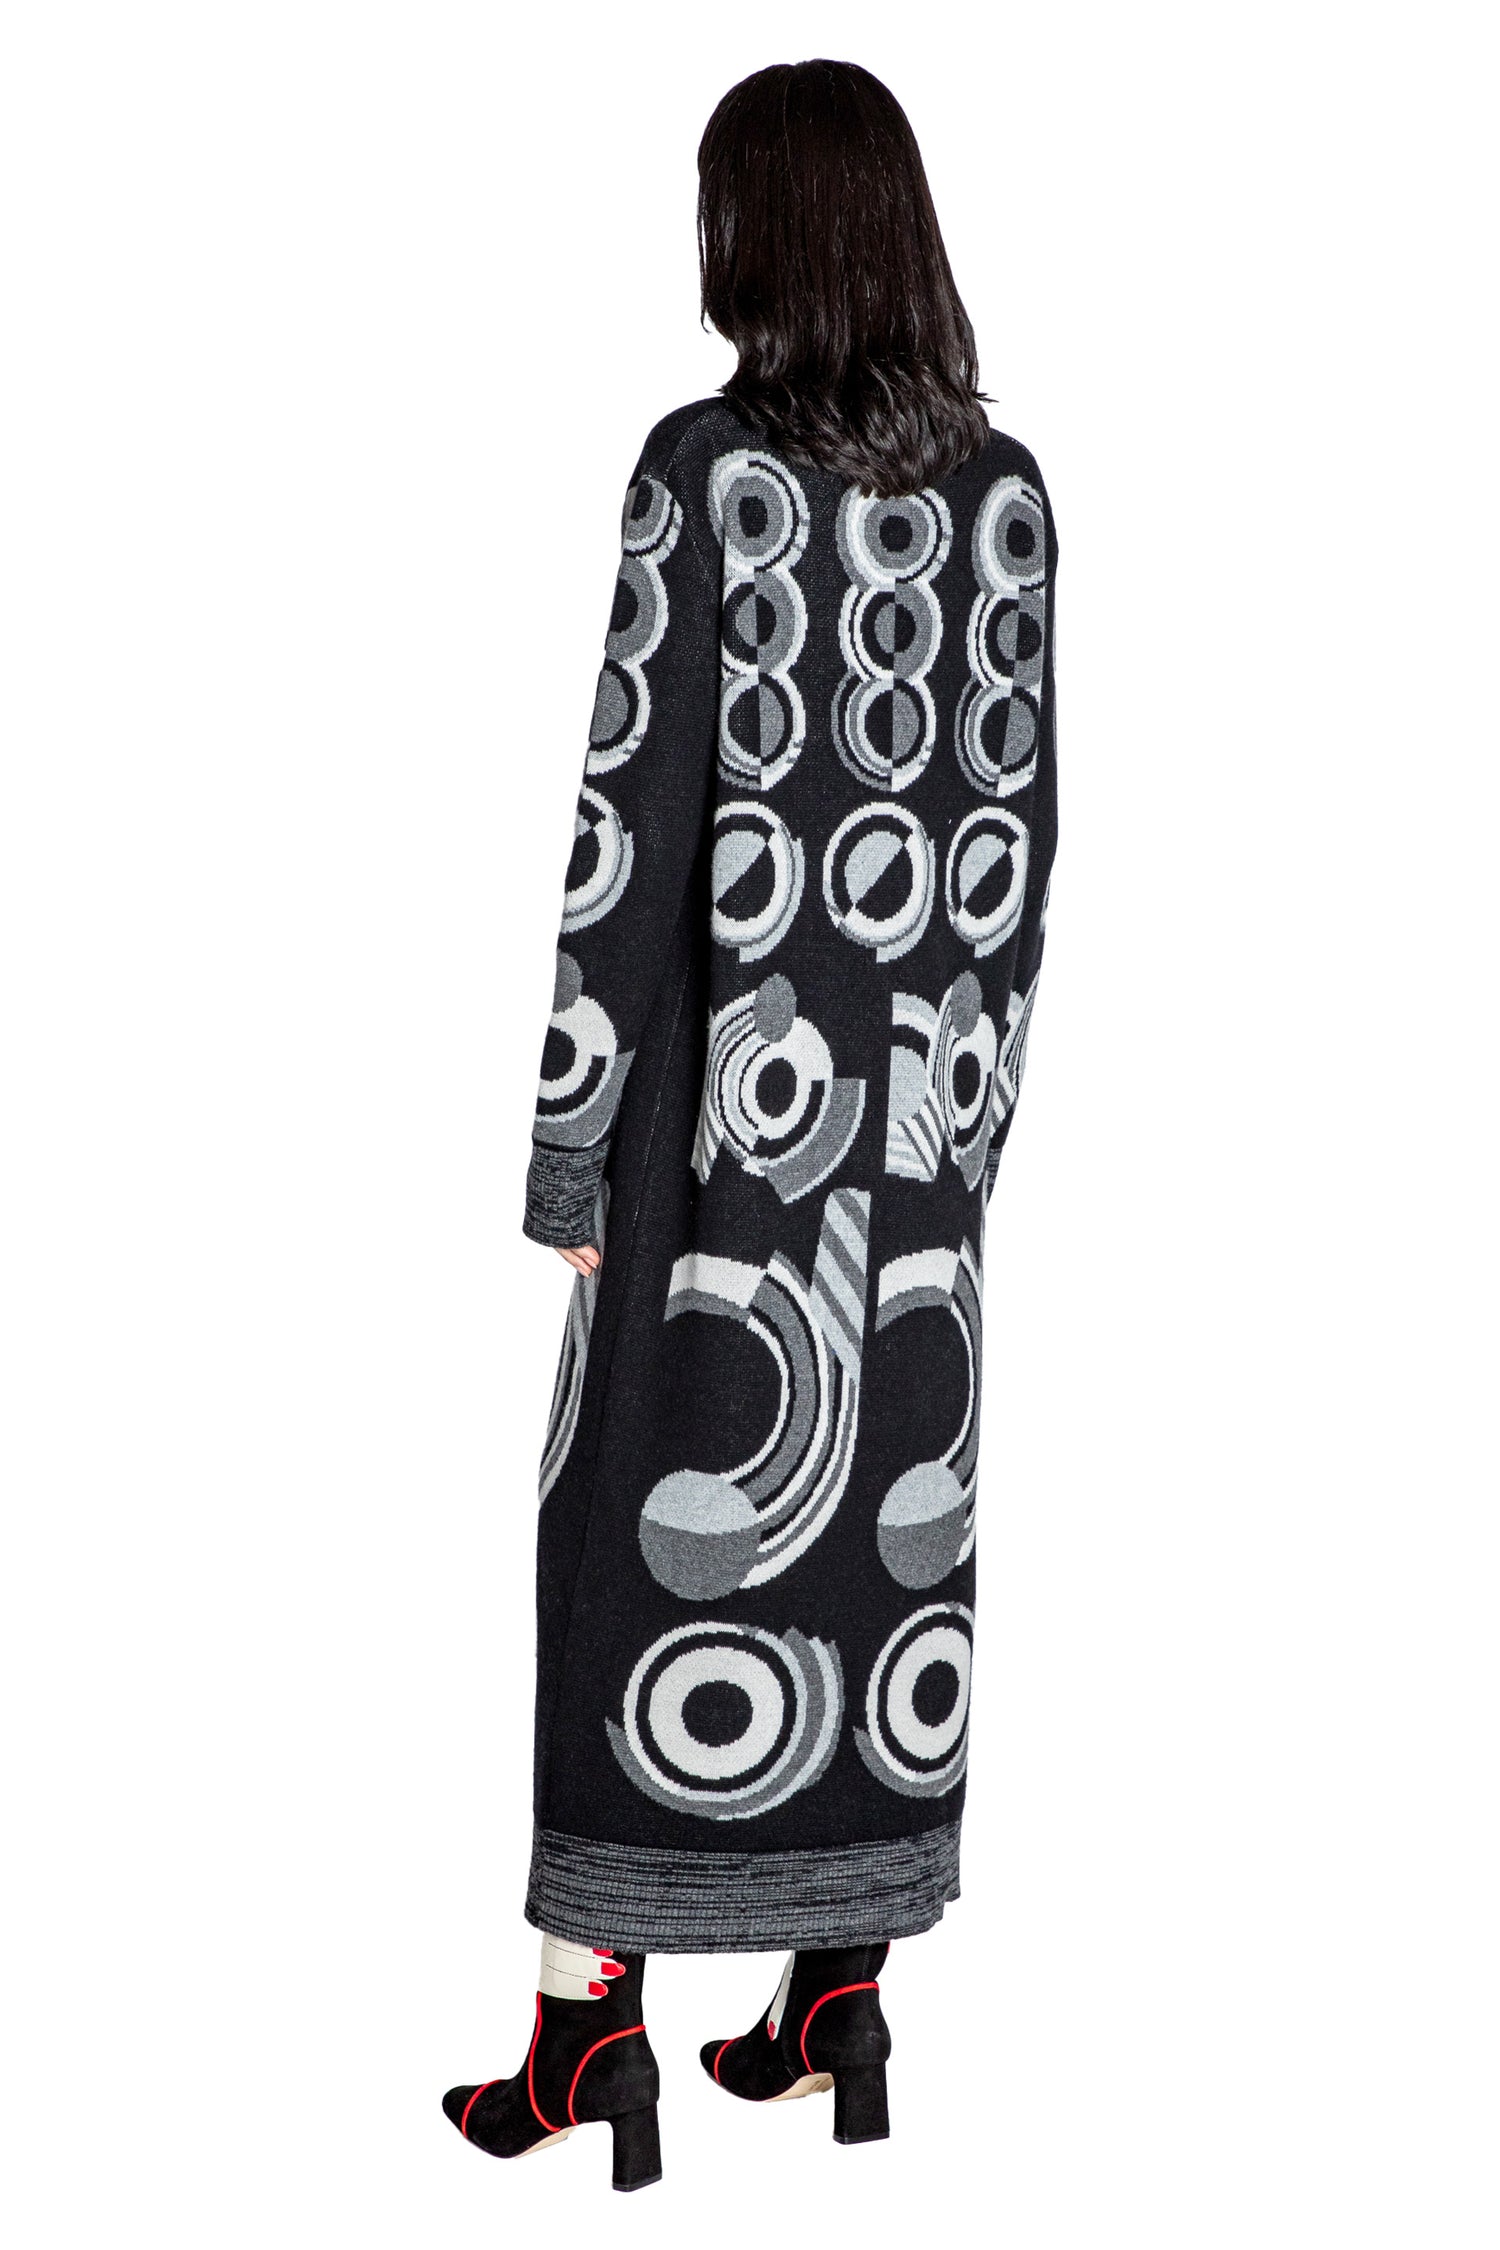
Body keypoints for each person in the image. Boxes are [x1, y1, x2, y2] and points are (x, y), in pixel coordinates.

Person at [442, 56, 1058, 2190]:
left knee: (627, 1545)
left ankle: (585, 2033)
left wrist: (574, 1148)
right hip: (920, 1150)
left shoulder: (702, 474)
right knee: (884, 1543)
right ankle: (837, 2001)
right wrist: (964, 1138)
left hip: (719, 1137)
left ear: (760, 233)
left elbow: (628, 829)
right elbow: (1021, 849)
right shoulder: (1011, 497)